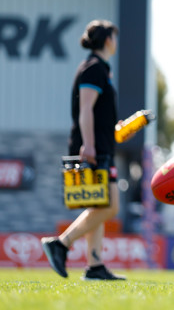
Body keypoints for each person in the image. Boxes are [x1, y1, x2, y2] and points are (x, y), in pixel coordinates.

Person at [41, 20, 125, 281]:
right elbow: (85, 109)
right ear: (108, 40)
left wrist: (119, 127)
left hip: (99, 144)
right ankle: (61, 244)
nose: (116, 41)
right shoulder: (93, 68)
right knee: (110, 206)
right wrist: (88, 144)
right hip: (94, 148)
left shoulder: (99, 69)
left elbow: (95, 111)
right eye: (115, 36)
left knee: (99, 204)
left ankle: (94, 266)